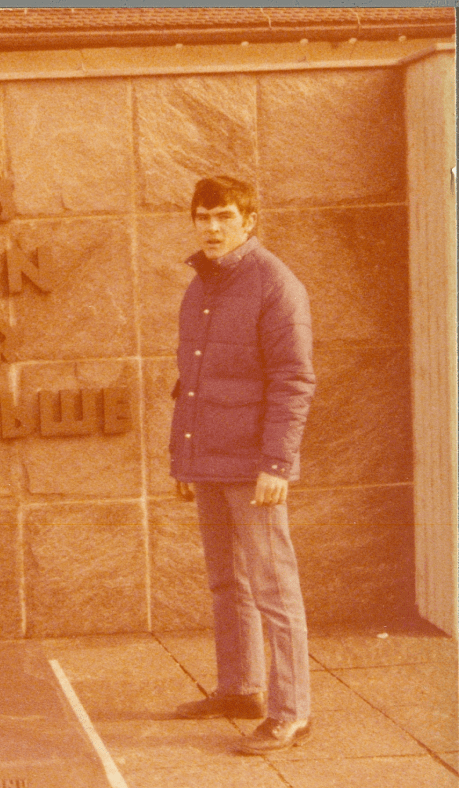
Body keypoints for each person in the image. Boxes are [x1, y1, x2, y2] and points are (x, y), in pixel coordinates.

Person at [169, 176, 316, 754]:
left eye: (224, 216)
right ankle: (240, 689)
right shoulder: (201, 285)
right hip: (208, 460)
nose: (212, 227)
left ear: (249, 221)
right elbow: (190, 380)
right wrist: (184, 459)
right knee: (226, 582)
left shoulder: (275, 284)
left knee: (273, 589)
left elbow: (293, 380)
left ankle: (292, 712)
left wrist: (277, 464)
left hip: (255, 468)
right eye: (203, 217)